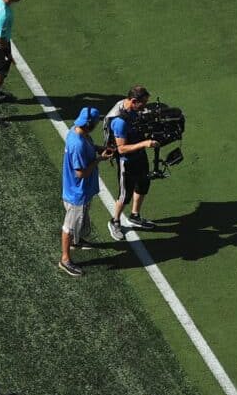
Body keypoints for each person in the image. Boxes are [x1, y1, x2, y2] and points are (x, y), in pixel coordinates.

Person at [103, 86, 162, 240]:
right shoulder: (120, 121)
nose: (144, 106)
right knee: (125, 194)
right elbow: (121, 149)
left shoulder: (131, 109)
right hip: (126, 161)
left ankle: (135, 216)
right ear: (133, 101)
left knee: (143, 184)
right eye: (143, 103)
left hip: (139, 155)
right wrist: (144, 144)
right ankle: (115, 221)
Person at [58, 107, 105, 277]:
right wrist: (99, 159)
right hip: (77, 193)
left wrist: (100, 149)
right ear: (89, 125)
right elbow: (81, 173)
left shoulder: (76, 131)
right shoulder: (77, 144)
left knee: (80, 222)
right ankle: (65, 260)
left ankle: (76, 242)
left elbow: (90, 147)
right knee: (69, 227)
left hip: (80, 191)